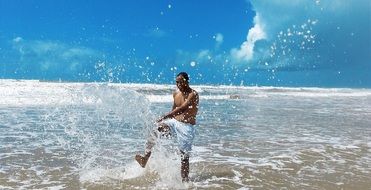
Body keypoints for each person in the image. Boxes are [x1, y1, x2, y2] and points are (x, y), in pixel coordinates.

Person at [135, 72, 199, 182]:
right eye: (177, 82)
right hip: (174, 122)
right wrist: (165, 120)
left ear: (186, 81)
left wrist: (165, 116)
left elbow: (183, 108)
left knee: (184, 157)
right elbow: (174, 110)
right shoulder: (176, 94)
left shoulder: (193, 94)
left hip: (187, 127)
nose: (178, 84)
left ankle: (185, 182)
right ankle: (145, 158)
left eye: (181, 81)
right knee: (156, 130)